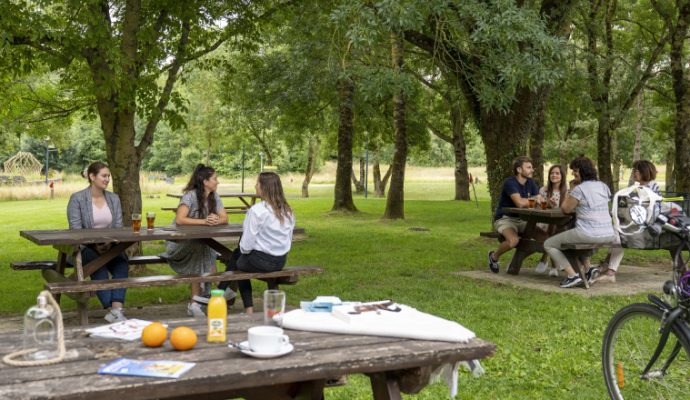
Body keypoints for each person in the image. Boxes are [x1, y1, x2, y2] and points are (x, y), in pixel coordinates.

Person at [219, 172, 295, 314]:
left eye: (257, 183)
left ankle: (225, 295)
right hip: (280, 261)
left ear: (264, 188)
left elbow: (246, 245)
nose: (255, 186)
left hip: (262, 261)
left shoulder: (256, 211)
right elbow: (288, 239)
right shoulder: (287, 210)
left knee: (238, 260)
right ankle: (223, 292)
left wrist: (244, 252)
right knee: (238, 257)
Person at [160, 164, 230, 317]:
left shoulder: (214, 197)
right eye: (215, 179)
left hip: (199, 244)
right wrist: (205, 221)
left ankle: (196, 303)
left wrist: (216, 219)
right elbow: (180, 219)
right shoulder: (190, 196)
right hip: (178, 244)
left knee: (205, 247)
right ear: (205, 181)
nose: (217, 182)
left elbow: (225, 218)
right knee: (203, 249)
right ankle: (217, 292)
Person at [67, 161, 128, 323]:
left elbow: (118, 227)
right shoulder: (77, 199)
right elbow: (76, 230)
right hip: (84, 248)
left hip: (110, 246)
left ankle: (116, 309)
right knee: (97, 263)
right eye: (104, 176)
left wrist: (109, 243)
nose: (107, 179)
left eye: (108, 176)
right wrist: (96, 245)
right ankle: (111, 309)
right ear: (92, 177)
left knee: (122, 261)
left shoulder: (114, 198)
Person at [544, 156, 616, 288]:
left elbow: (566, 209)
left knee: (549, 244)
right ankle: (588, 269)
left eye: (575, 171)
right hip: (607, 233)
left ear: (583, 171)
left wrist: (569, 192)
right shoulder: (603, 186)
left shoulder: (579, 189)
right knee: (570, 239)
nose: (573, 173)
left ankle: (572, 276)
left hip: (589, 233)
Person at [597, 160, 660, 283]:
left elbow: (651, 209)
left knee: (618, 235)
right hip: (633, 222)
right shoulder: (637, 187)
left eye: (636, 170)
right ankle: (607, 266)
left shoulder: (651, 187)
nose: (633, 173)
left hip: (644, 227)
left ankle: (610, 271)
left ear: (644, 171)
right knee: (617, 232)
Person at [487, 156, 544, 273]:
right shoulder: (510, 182)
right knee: (514, 241)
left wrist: (542, 200)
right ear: (519, 170)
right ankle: (494, 257)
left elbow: (538, 202)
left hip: (523, 220)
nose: (532, 170)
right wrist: (534, 199)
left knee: (546, 239)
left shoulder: (531, 183)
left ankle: (518, 258)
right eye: (528, 167)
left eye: (532, 167)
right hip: (505, 219)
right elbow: (519, 203)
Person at [535, 165, 568, 277]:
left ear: (562, 176)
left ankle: (544, 258)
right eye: (552, 173)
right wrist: (547, 203)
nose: (554, 175)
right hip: (545, 222)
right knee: (551, 229)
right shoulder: (543, 190)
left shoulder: (567, 192)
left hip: (562, 223)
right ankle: (554, 266)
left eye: (557, 173)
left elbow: (567, 209)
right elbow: (539, 208)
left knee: (555, 229)